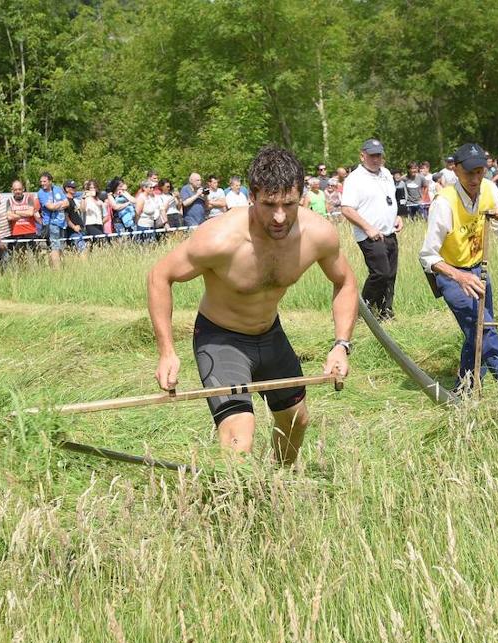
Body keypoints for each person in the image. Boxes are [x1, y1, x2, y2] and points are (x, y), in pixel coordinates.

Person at [147, 145, 357, 463]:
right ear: (252, 197)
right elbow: (159, 276)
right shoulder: (219, 239)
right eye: (268, 204)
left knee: (297, 421)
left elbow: (345, 282)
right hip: (221, 339)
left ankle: (278, 486)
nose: (279, 216)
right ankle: (233, 507)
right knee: (238, 440)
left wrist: (341, 344)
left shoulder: (318, 235)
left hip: (270, 336)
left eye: (289, 204)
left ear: (301, 195)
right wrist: (166, 351)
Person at [418, 143, 498, 390]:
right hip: (451, 274)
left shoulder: (489, 189)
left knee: (476, 331)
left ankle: (464, 389)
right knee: (482, 329)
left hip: (479, 271)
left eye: (480, 171)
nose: (475, 178)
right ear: (455, 169)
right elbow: (428, 257)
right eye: (469, 172)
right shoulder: (444, 202)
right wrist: (459, 277)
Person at [340, 138, 402, 320]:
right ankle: (363, 311)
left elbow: (389, 200)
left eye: (379, 155)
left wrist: (397, 217)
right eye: (372, 155)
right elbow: (347, 209)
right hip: (370, 235)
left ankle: (386, 312)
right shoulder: (355, 179)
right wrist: (368, 228)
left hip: (390, 232)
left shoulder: (386, 174)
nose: (376, 159)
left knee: (390, 275)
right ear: (362, 156)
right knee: (380, 273)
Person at [36, 173, 66, 267]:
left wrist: (56, 205)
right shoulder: (41, 193)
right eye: (41, 181)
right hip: (50, 223)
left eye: (44, 181)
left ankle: (58, 266)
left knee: (61, 246)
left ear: (50, 181)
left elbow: (67, 203)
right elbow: (50, 207)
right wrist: (60, 204)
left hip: (61, 222)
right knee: (54, 247)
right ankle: (57, 270)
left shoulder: (57, 189)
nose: (42, 183)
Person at [6, 180, 40, 258]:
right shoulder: (9, 201)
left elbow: (30, 213)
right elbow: (9, 216)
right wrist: (24, 214)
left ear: (23, 189)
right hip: (17, 232)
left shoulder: (29, 199)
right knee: (20, 256)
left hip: (30, 231)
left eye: (19, 189)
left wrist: (15, 211)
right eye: (15, 190)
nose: (17, 191)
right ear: (12, 190)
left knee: (37, 255)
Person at [60, 181, 85, 253]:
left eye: (75, 187)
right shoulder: (66, 201)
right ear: (67, 189)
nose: (75, 189)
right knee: (82, 249)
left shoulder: (73, 200)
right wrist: (74, 227)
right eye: (72, 187)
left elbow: (82, 210)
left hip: (80, 229)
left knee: (75, 251)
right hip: (72, 231)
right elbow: (66, 216)